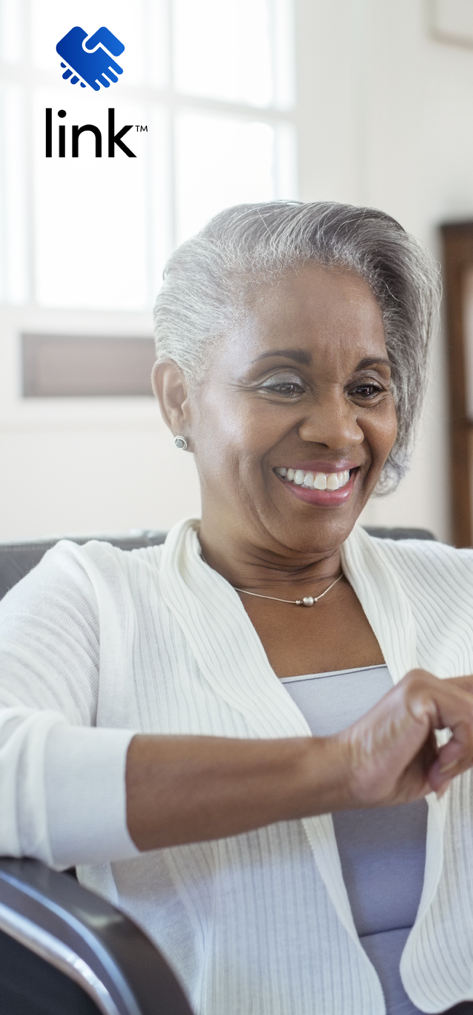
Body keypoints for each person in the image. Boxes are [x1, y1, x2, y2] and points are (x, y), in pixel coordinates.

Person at [1, 201, 473, 1015]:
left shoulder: (454, 583)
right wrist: (337, 766)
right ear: (179, 398)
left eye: (368, 386)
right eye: (282, 383)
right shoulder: (94, 598)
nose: (338, 428)